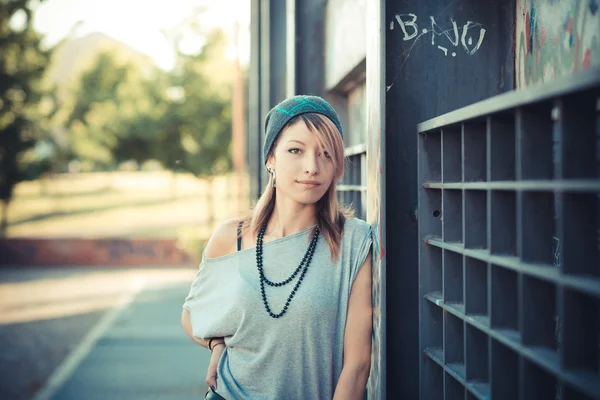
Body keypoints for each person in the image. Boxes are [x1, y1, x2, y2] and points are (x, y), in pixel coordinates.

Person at [181, 95, 373, 400]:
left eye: (325, 153)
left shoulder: (354, 241)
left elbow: (358, 364)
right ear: (271, 158)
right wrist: (216, 345)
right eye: (295, 150)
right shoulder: (232, 237)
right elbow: (192, 313)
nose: (312, 166)